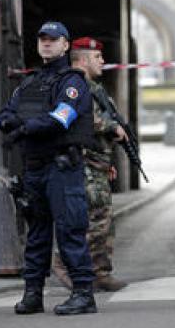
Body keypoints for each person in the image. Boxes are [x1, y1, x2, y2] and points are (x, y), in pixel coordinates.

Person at [0, 21, 98, 315]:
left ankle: (83, 294)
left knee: (70, 230)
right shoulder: (30, 82)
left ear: (66, 45)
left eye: (53, 39)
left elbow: (60, 119)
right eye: (42, 39)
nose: (46, 44)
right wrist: (16, 124)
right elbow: (5, 114)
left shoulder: (73, 83)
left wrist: (23, 127)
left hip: (62, 167)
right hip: (35, 168)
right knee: (37, 233)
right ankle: (33, 294)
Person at [51, 37, 128, 292]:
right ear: (83, 59)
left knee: (104, 220)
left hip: (97, 161)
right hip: (83, 161)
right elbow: (79, 117)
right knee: (90, 219)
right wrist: (111, 126)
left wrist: (107, 161)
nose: (103, 61)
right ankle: (62, 261)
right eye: (97, 57)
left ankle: (100, 271)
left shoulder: (94, 87)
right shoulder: (74, 85)